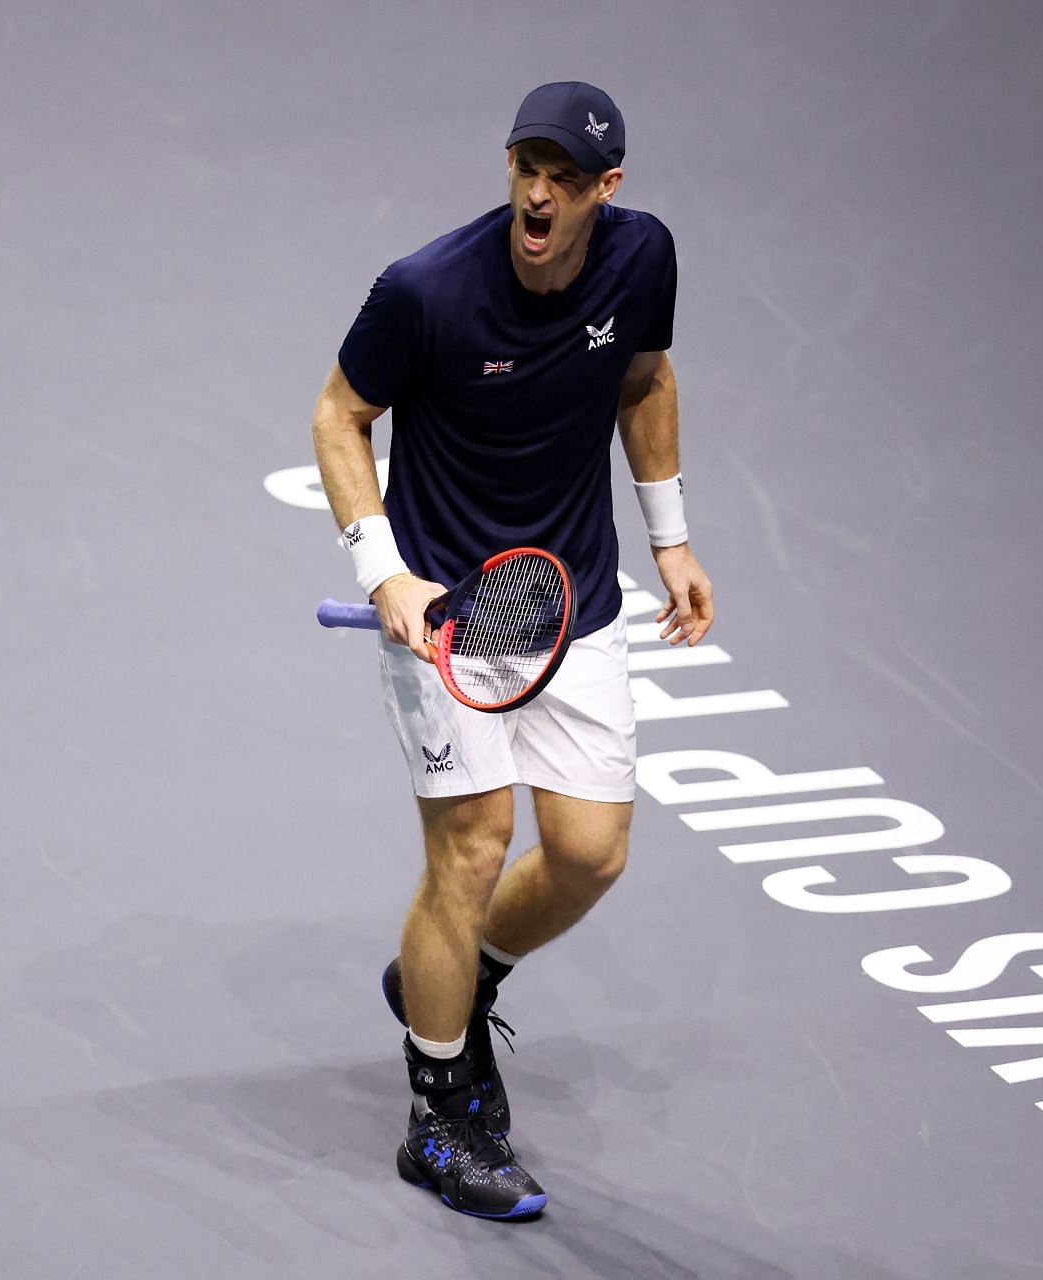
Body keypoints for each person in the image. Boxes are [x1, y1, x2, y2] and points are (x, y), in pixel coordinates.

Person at [310, 81, 714, 1220]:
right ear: (509, 163)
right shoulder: (427, 289)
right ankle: (439, 1111)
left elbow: (645, 377)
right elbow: (339, 416)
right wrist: (382, 569)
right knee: (475, 847)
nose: (540, 192)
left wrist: (671, 540)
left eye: (567, 177)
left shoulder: (643, 261)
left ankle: (456, 975)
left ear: (607, 191)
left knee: (589, 855)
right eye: (527, 166)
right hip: (450, 614)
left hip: (570, 600)